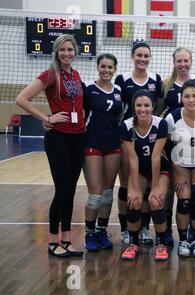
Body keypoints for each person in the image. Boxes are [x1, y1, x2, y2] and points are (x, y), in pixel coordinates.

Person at [16, 34, 84, 258]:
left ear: (75, 52)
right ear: (56, 52)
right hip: (59, 138)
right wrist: (47, 119)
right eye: (62, 50)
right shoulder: (50, 74)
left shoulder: (74, 74)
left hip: (77, 137)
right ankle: (53, 241)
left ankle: (66, 239)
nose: (66, 53)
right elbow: (22, 99)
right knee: (62, 189)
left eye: (70, 50)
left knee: (71, 190)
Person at [159, 47, 195, 246]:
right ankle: (175, 238)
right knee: (181, 198)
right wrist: (177, 168)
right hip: (178, 157)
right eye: (178, 61)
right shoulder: (166, 87)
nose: (182, 64)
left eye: (185, 60)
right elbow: (167, 143)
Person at [115, 42, 162, 246]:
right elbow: (117, 107)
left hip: (149, 137)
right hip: (128, 136)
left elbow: (159, 107)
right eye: (139, 55)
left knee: (147, 186)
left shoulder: (156, 79)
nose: (143, 59)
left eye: (146, 56)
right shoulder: (122, 79)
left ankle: (143, 228)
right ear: (132, 56)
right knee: (127, 185)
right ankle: (126, 228)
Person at [165, 80, 195, 258]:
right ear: (181, 97)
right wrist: (177, 171)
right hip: (180, 164)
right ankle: (184, 240)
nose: (191, 99)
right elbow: (168, 147)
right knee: (184, 202)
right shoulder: (172, 117)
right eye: (187, 96)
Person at [120, 90, 170, 261]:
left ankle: (161, 243)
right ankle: (133, 243)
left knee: (156, 201)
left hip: (160, 169)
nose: (143, 109)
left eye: (146, 105)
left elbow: (156, 157)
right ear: (134, 107)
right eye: (139, 105)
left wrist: (155, 186)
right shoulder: (126, 126)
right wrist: (133, 187)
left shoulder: (160, 124)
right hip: (139, 170)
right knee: (134, 201)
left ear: (153, 107)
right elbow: (132, 159)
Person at [82, 53, 122, 252]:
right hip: (92, 144)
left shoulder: (119, 91)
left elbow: (120, 117)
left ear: (115, 69)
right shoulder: (88, 89)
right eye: (103, 66)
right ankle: (88, 234)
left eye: (110, 67)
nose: (106, 70)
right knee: (95, 194)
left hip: (113, 145)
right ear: (98, 67)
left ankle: (101, 230)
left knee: (107, 193)